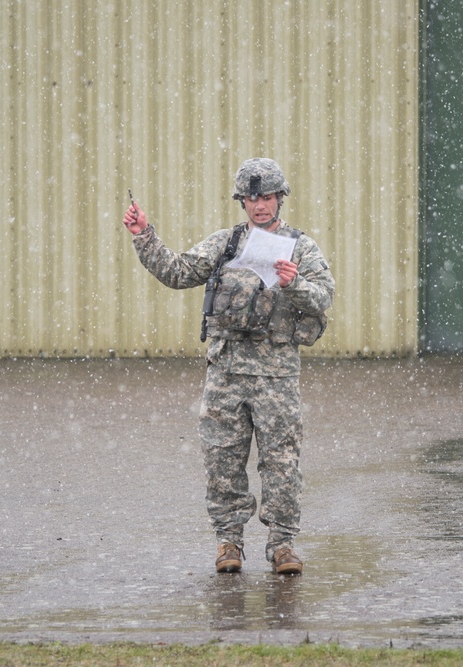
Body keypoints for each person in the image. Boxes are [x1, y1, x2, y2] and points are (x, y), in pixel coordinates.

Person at [122, 158, 335, 575]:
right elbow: (179, 272)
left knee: (282, 464)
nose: (260, 205)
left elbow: (324, 298)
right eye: (252, 197)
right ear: (242, 201)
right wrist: (144, 235)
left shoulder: (300, 248)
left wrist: (295, 284)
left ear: (279, 199)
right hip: (227, 374)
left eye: (267, 196)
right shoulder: (227, 243)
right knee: (222, 462)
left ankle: (282, 546)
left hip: (276, 375)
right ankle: (229, 544)